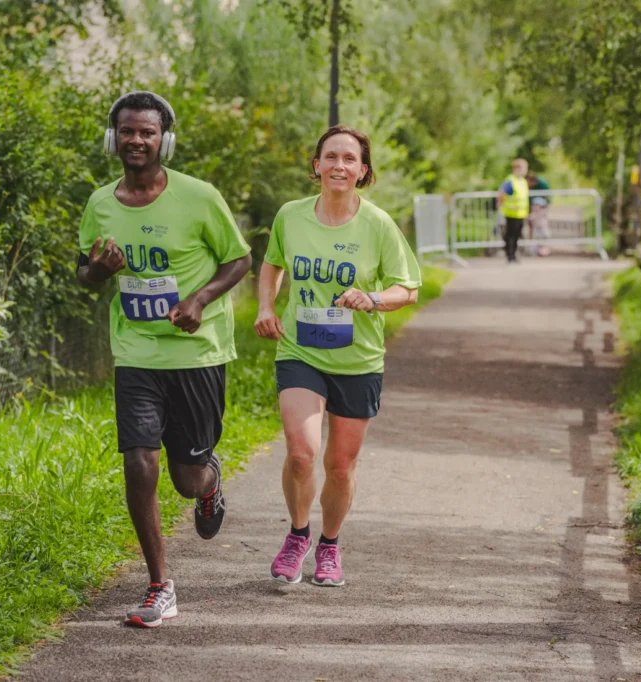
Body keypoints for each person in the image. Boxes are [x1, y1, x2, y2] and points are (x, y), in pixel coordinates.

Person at [76, 91, 252, 628]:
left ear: (164, 141)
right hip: (137, 351)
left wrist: (199, 300)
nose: (136, 140)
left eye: (147, 133)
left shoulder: (199, 198)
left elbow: (239, 258)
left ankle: (210, 484)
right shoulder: (99, 203)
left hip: (198, 354)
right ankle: (159, 585)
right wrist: (101, 272)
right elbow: (84, 274)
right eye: (127, 131)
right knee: (138, 461)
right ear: (113, 137)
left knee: (186, 478)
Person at [254, 125, 421, 587]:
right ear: (316, 165)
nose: (339, 166)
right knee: (303, 454)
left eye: (350, 159)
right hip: (301, 352)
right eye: (331, 157)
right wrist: (267, 306)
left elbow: (407, 289)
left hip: (358, 359)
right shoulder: (291, 215)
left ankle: (329, 544)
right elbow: (272, 264)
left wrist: (372, 298)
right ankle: (297, 534)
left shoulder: (378, 224)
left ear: (363, 170)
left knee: (340, 467)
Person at [497, 158, 529, 263]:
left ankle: (514, 254)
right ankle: (510, 255)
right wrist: (500, 204)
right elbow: (502, 193)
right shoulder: (511, 180)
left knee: (517, 235)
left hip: (520, 213)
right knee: (510, 235)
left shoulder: (523, 181)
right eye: (524, 168)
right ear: (517, 169)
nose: (525, 171)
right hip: (511, 213)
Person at [525, 172, 551, 257]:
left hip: (541, 207)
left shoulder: (543, 184)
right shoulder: (527, 186)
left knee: (543, 234)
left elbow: (548, 197)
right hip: (531, 206)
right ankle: (532, 247)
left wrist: (543, 208)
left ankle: (543, 249)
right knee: (532, 228)